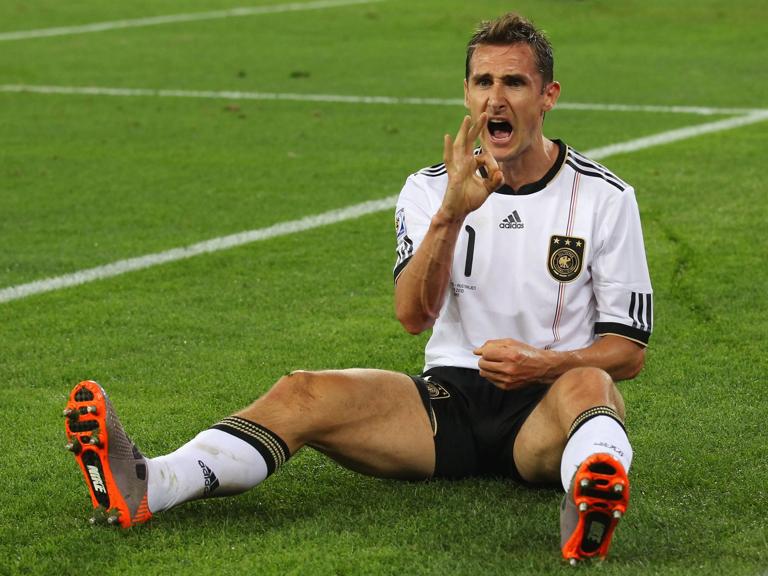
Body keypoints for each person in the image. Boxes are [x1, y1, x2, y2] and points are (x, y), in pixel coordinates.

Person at [63, 13, 652, 564]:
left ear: (548, 96)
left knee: (591, 383)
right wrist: (451, 214)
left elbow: (628, 351)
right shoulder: (429, 190)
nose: (495, 98)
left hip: (548, 412)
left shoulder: (606, 198)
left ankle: (588, 497)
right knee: (303, 391)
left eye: (514, 83)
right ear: (467, 93)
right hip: (448, 407)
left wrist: (543, 365)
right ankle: (152, 482)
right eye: (483, 82)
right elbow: (413, 316)